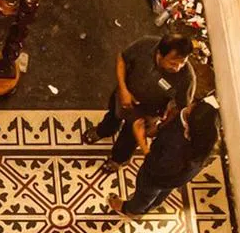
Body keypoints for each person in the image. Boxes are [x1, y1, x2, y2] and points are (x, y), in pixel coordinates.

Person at [82, 33, 196, 171]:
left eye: (182, 63)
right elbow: (122, 59)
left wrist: (159, 126)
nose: (177, 68)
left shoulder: (186, 79)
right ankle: (104, 131)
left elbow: (182, 110)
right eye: (173, 63)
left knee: (129, 140)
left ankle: (118, 159)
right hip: (123, 97)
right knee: (112, 116)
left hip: (146, 115)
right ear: (159, 53)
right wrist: (123, 89)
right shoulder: (145, 45)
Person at [109, 97, 221, 216]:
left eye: (190, 111)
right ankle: (154, 203)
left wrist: (141, 140)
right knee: (162, 192)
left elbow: (155, 165)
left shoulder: (177, 149)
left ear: (189, 130)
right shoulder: (206, 136)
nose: (189, 106)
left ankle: (132, 210)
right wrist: (159, 129)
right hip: (178, 177)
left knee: (145, 193)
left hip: (158, 176)